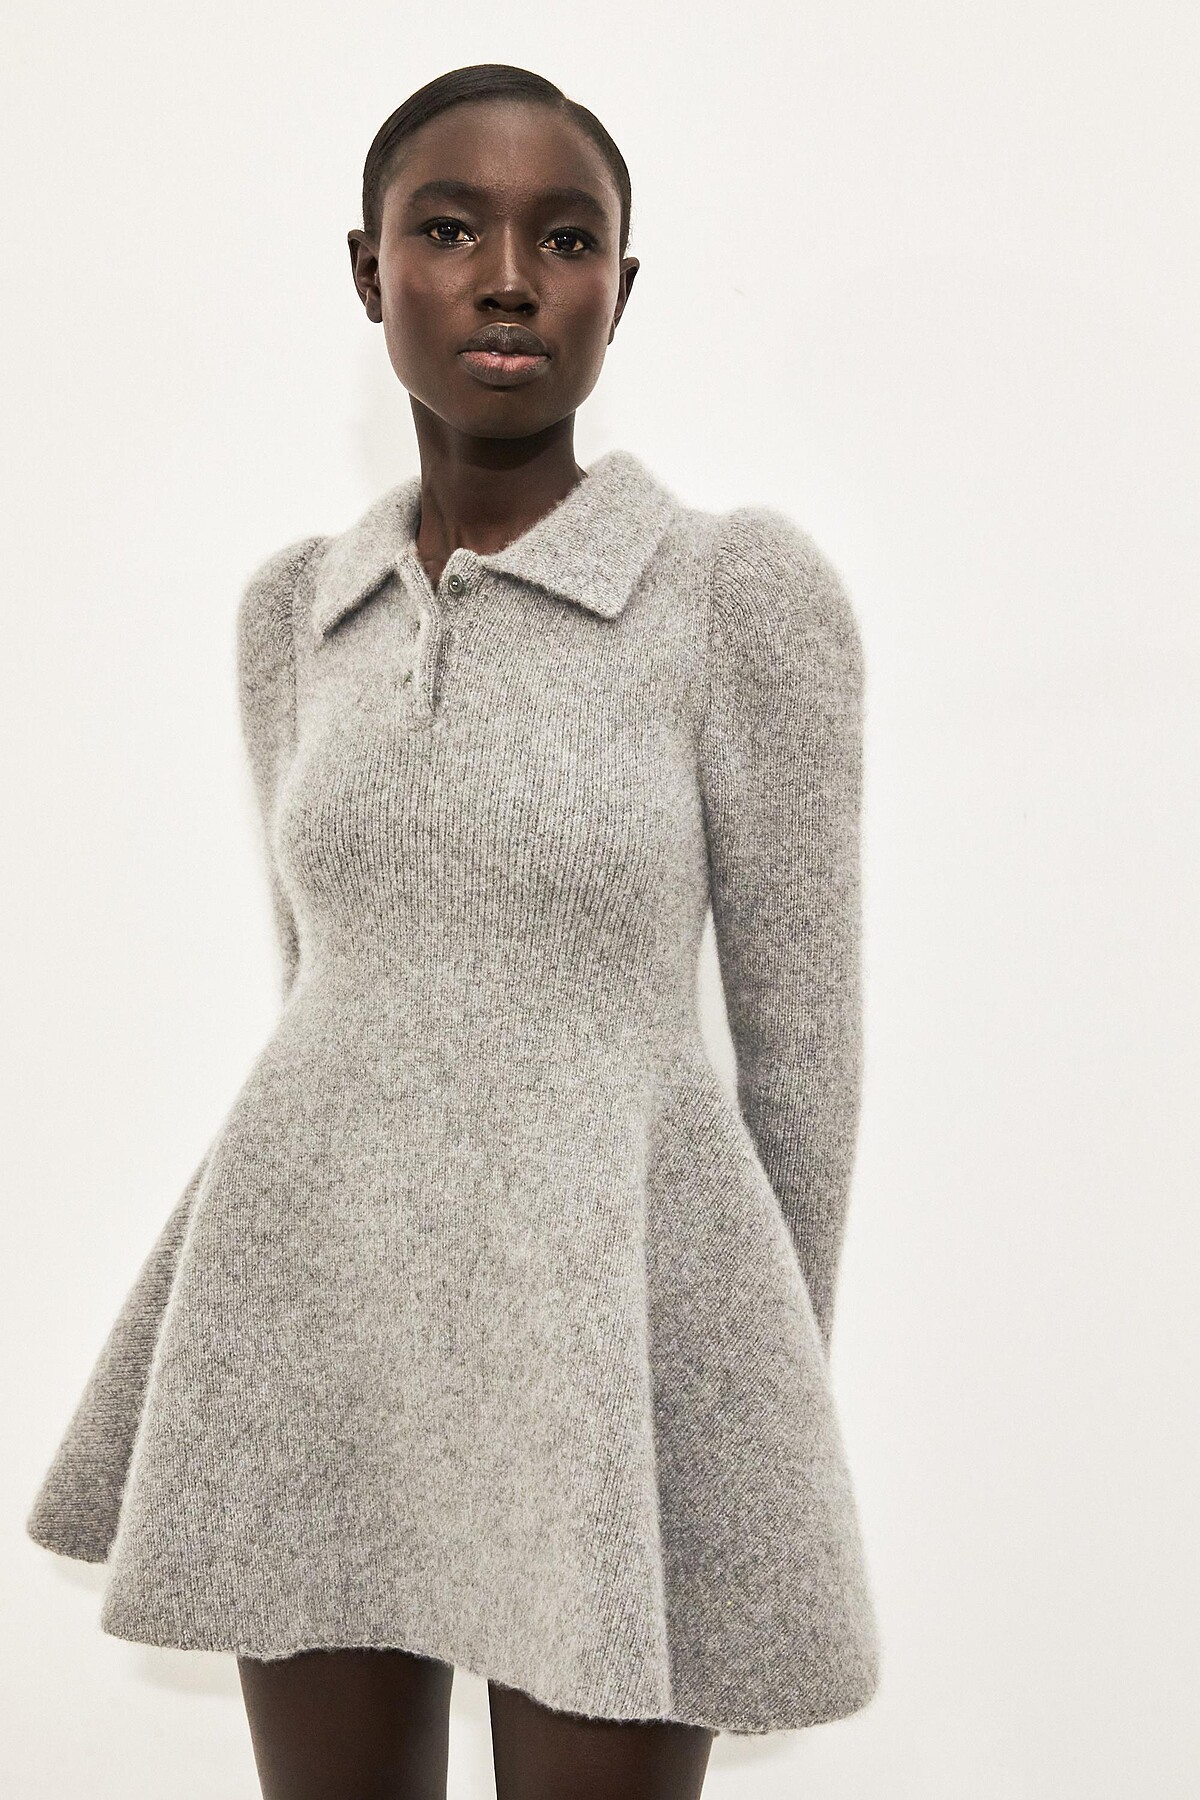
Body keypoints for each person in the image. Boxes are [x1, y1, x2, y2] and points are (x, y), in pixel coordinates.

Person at [26, 62, 881, 1800]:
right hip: (313, 1325)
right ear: (370, 273)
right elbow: (317, 985)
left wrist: (752, 1417)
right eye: (448, 230)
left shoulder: (732, 595)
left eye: (564, 241)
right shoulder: (297, 610)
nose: (507, 279)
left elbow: (805, 1054)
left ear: (620, 290)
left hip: (610, 1348)